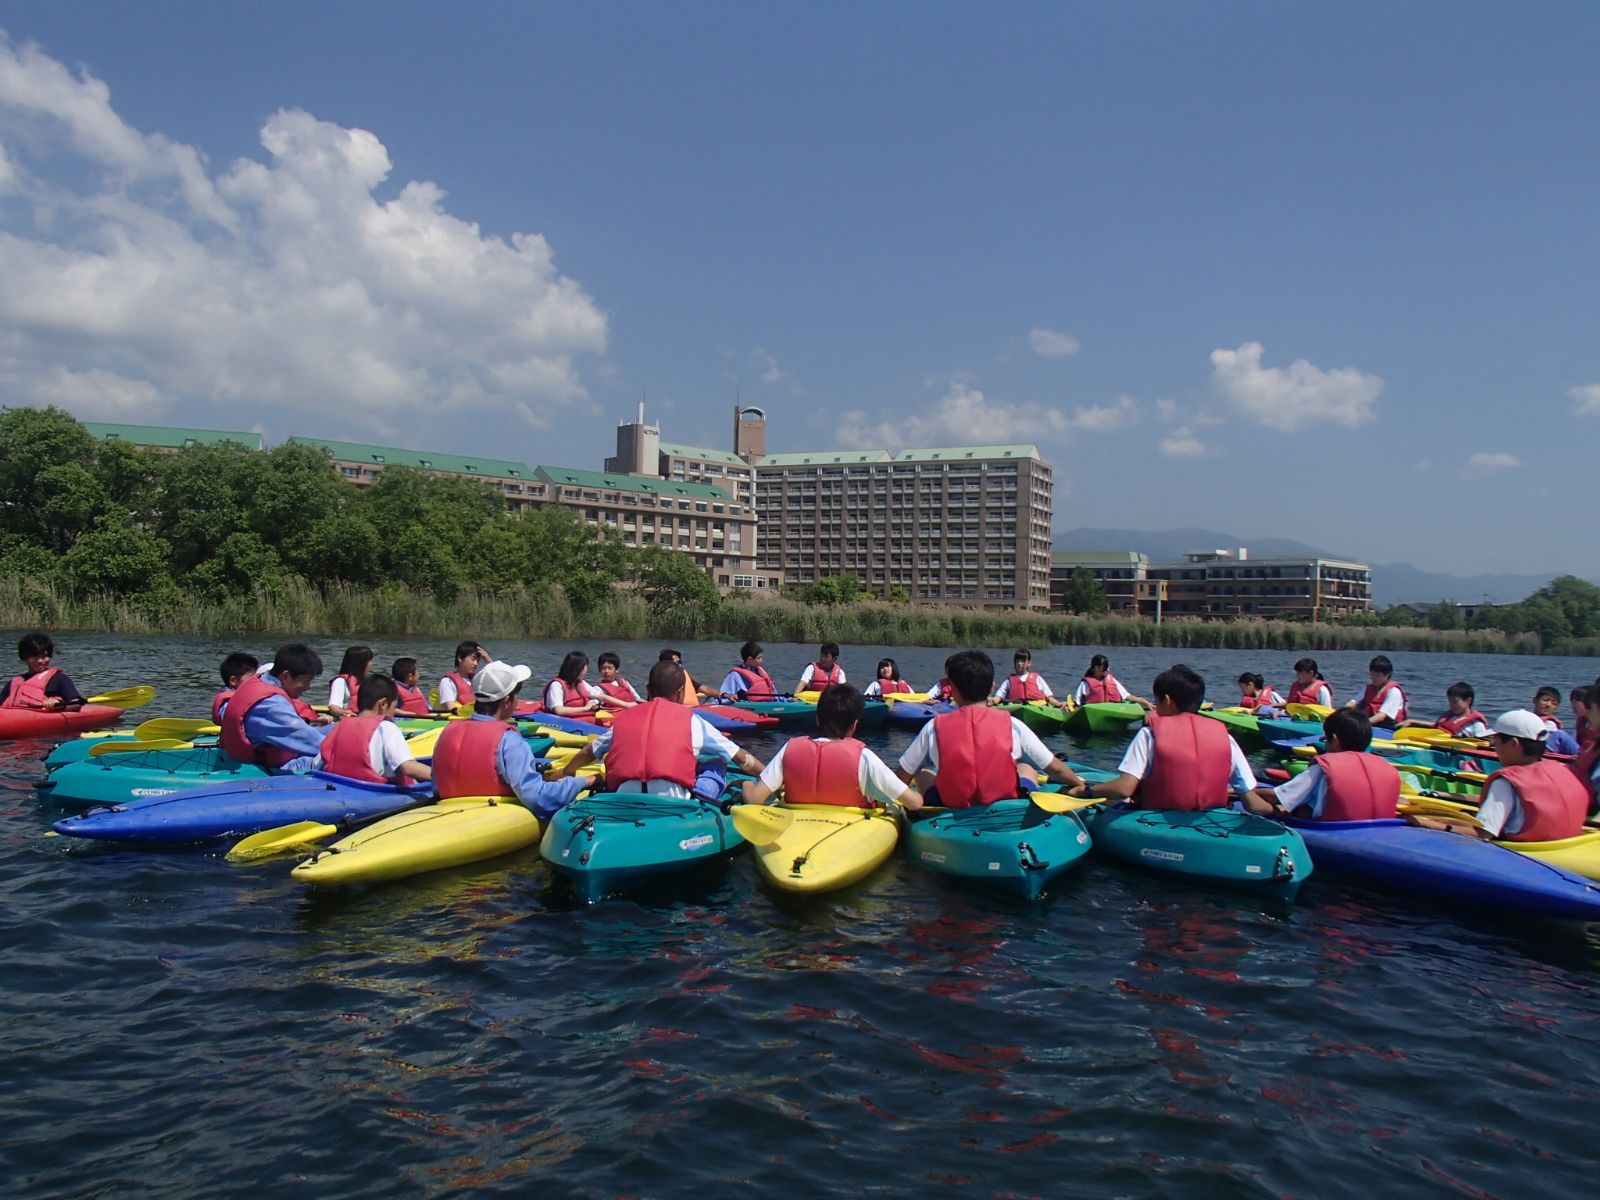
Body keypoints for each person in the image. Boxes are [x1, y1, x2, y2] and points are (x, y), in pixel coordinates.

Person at [897, 650, 1087, 806]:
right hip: (1004, 804)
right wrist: (1077, 784)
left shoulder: (933, 726)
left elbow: (903, 775)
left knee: (922, 774)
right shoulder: (1013, 724)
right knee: (1026, 767)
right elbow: (1055, 768)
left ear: (953, 689)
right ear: (991, 688)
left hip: (952, 805)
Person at [558, 660, 764, 798]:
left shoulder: (623, 719)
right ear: (681, 692)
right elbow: (741, 758)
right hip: (673, 804)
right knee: (718, 763)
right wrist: (769, 777)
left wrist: (567, 772)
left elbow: (587, 753)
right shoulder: (693, 721)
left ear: (648, 689)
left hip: (624, 796)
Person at [1068, 665, 1258, 810]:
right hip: (1210, 817)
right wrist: (1279, 808)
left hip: (1156, 818)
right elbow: (1252, 802)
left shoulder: (1149, 735)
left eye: (1156, 701)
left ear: (1167, 701)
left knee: (1109, 799)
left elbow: (1123, 789)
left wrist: (1087, 790)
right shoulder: (1226, 737)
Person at [431, 660, 584, 818]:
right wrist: (582, 783)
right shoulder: (508, 738)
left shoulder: (447, 731)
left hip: (446, 810)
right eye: (516, 695)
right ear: (506, 702)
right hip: (491, 816)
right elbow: (538, 798)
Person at [1415, 711, 1590, 842]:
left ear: (1513, 744)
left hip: (1525, 856)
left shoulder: (1507, 782)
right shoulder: (1561, 770)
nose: (1494, 748)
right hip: (1564, 844)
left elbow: (1483, 833)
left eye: (1496, 742)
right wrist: (1441, 796)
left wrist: (1429, 824)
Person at [742, 684, 920, 810]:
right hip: (850, 828)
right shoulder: (863, 757)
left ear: (818, 719)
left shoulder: (790, 748)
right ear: (854, 725)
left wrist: (746, 784)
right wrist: (920, 793)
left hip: (795, 825)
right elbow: (914, 803)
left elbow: (754, 799)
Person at [1243, 709, 1400, 820]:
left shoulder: (1323, 768)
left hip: (1334, 830)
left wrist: (1247, 791)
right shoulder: (1385, 766)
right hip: (1380, 827)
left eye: (1326, 738)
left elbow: (1278, 797)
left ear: (1335, 739)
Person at [219, 643, 329, 771]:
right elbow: (313, 743)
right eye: (306, 680)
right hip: (267, 768)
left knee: (337, 728)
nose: (308, 686)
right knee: (338, 755)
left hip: (271, 754)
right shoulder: (270, 705)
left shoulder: (260, 680)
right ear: (286, 675)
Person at [312, 674, 433, 786]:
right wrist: (444, 775)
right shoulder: (387, 727)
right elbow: (408, 767)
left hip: (342, 787)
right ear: (383, 704)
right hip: (379, 792)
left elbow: (317, 764)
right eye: (394, 707)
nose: (393, 714)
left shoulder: (340, 726)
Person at [1, 633, 86, 711]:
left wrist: (61, 705)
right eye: (35, 657)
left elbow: (77, 703)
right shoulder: (13, 683)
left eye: (44, 656)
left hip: (45, 717)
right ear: (24, 657)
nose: (40, 661)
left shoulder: (60, 679)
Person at [1406, 681, 1488, 738]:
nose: (1451, 705)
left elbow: (1481, 745)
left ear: (1468, 701)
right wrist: (1412, 721)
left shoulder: (1476, 725)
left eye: (1455, 701)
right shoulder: (1450, 717)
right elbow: (1436, 726)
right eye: (1450, 701)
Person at [1346, 655, 1407, 728]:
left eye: (1378, 675)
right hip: (1369, 725)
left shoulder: (1394, 692)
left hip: (1388, 729)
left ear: (1387, 675)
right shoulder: (1367, 689)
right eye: (1372, 674)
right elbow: (1352, 703)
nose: (1373, 678)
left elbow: (1381, 716)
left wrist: (1359, 726)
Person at [1070, 654, 1149, 708]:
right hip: (1093, 709)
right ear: (1096, 667)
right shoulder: (1085, 684)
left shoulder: (1112, 681)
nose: (1106, 671)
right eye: (1103, 669)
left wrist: (1144, 702)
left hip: (1113, 709)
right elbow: (1077, 702)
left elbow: (1127, 697)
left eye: (1106, 669)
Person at [544, 650, 603, 716]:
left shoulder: (580, 682)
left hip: (579, 718)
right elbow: (559, 710)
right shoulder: (557, 685)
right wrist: (585, 708)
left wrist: (592, 705)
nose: (587, 669)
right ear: (577, 668)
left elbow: (599, 696)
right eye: (585, 666)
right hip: (563, 721)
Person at [993, 649, 1059, 706]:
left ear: (1029, 663)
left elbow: (1049, 698)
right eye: (1017, 661)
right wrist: (991, 700)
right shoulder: (1008, 681)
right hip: (1016, 706)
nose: (1019, 663)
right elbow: (997, 698)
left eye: (1022, 661)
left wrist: (1058, 704)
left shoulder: (1037, 678)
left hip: (1037, 706)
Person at [439, 641, 489, 713]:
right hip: (460, 721)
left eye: (478, 660)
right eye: (473, 659)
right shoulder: (447, 682)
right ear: (460, 658)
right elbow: (451, 709)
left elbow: (500, 684)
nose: (476, 663)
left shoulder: (477, 679)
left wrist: (488, 659)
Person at [327, 645, 374, 719]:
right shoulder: (340, 681)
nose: (371, 664)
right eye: (369, 661)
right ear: (361, 663)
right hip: (349, 720)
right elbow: (334, 708)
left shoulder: (367, 681)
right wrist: (344, 713)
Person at [212, 651, 260, 724]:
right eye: (252, 678)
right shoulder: (228, 701)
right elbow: (229, 718)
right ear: (234, 681)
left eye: (258, 677)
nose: (258, 681)